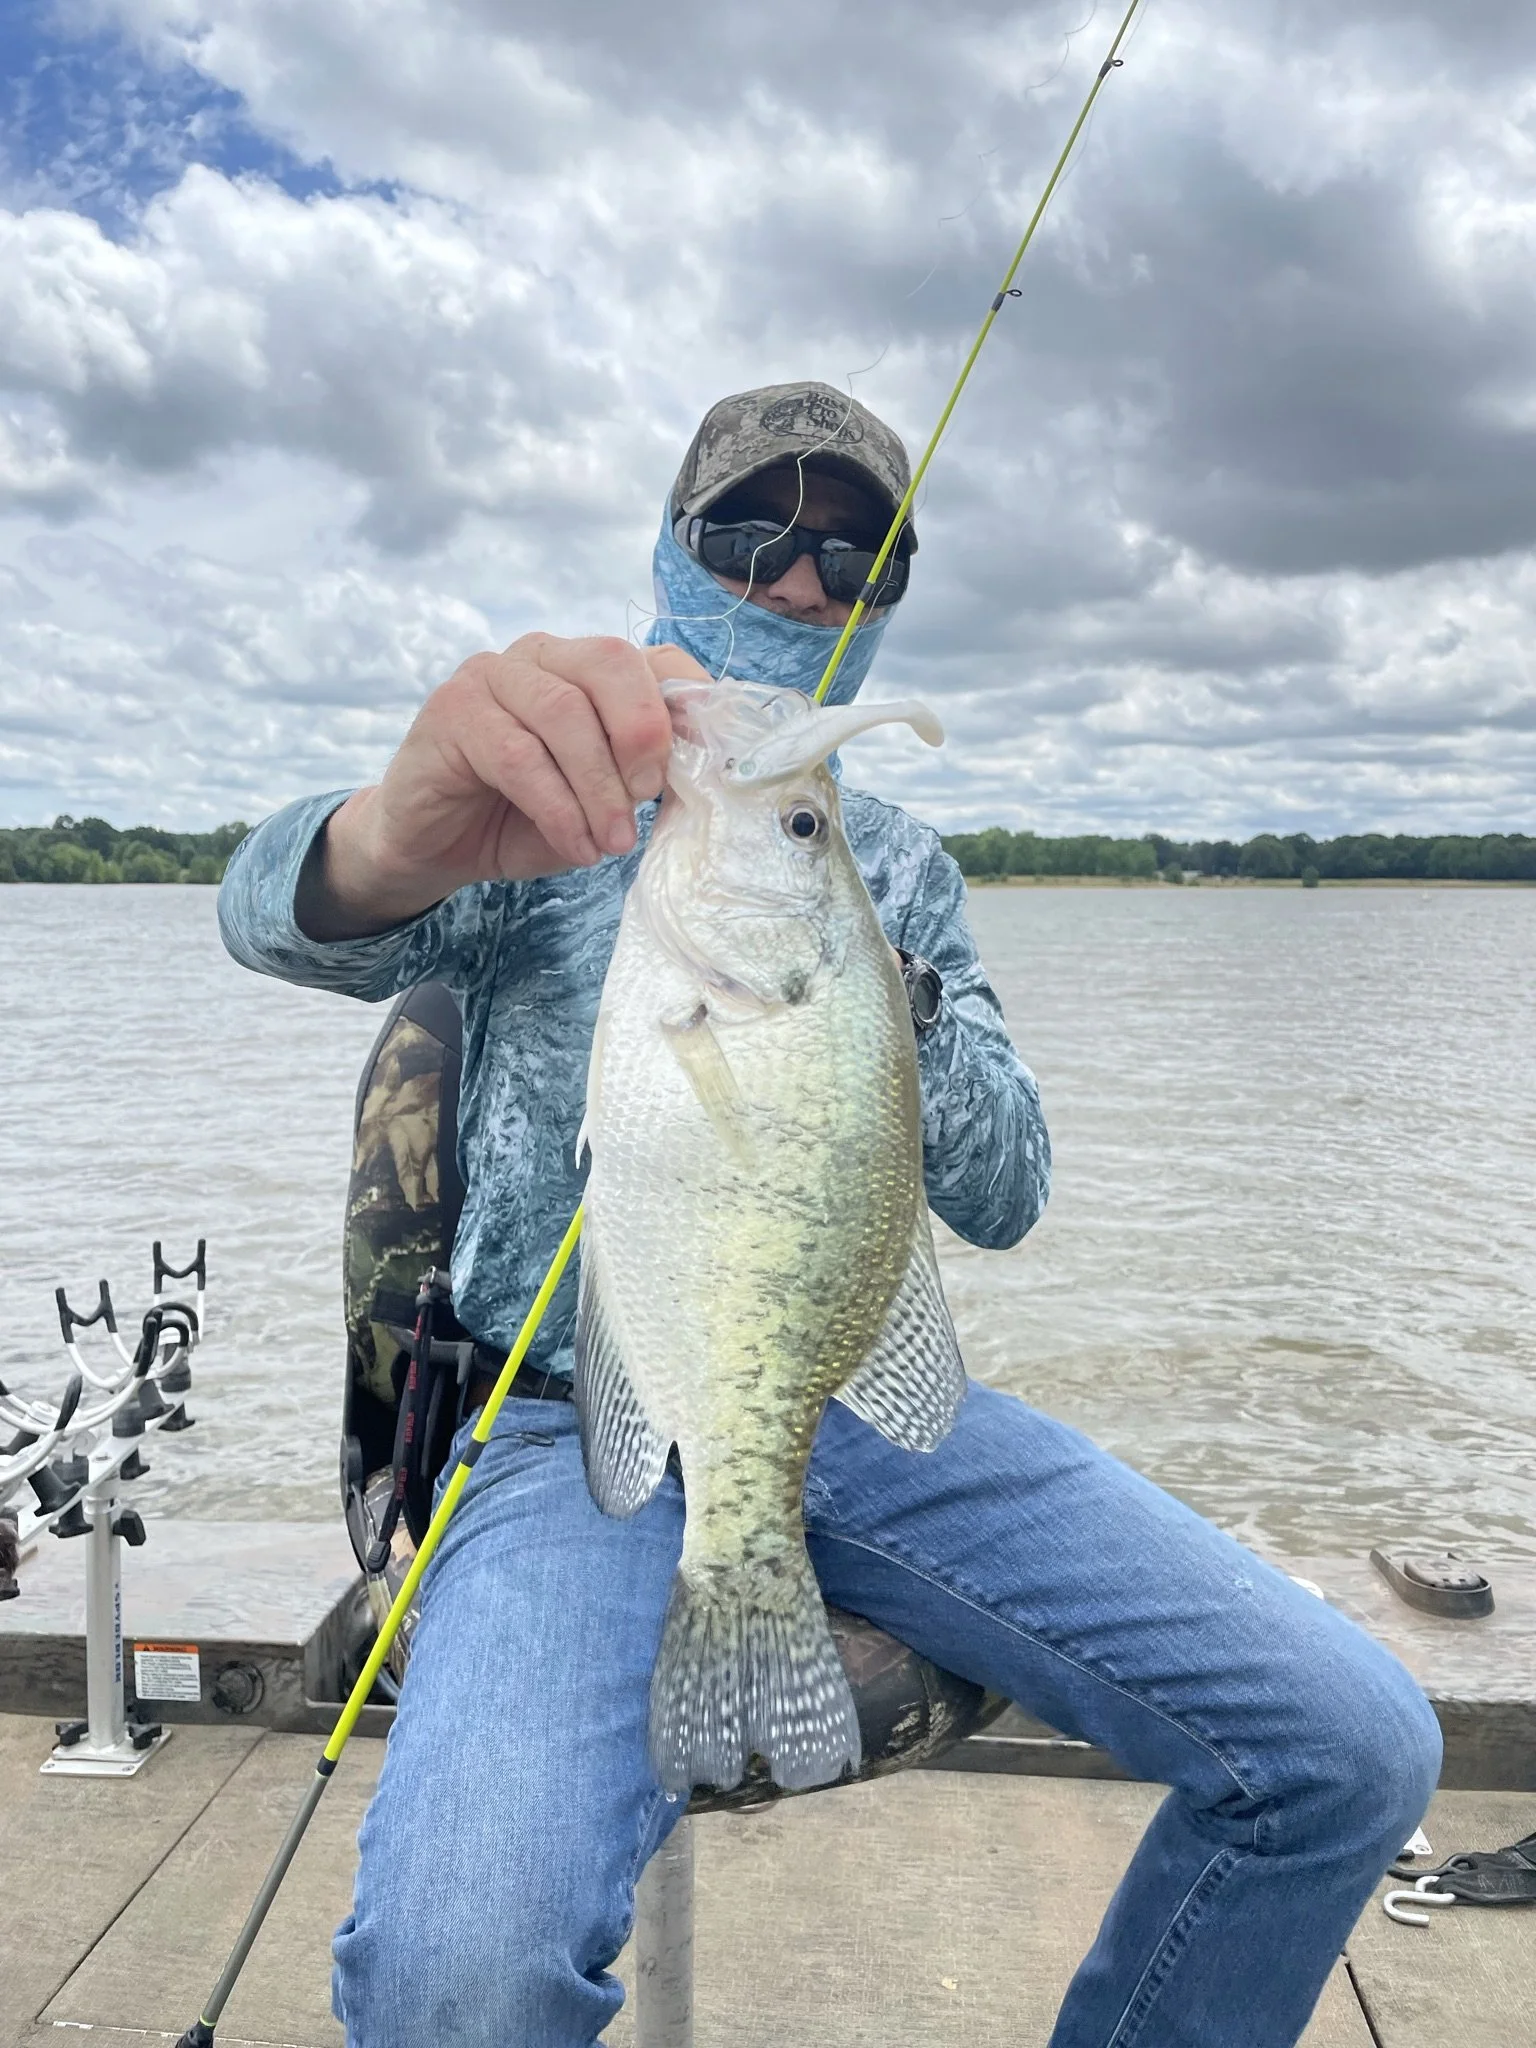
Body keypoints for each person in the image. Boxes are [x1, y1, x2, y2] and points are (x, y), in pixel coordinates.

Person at [219, 381, 1440, 2048]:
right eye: (754, 534)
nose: (801, 582)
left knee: (1356, 1745)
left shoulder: (901, 872)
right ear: (673, 548)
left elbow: (1008, 1190)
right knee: (457, 1979)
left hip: (836, 1399)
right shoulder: (537, 813)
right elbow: (271, 918)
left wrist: (874, 985)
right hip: (559, 1422)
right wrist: (388, 833)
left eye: (856, 560)